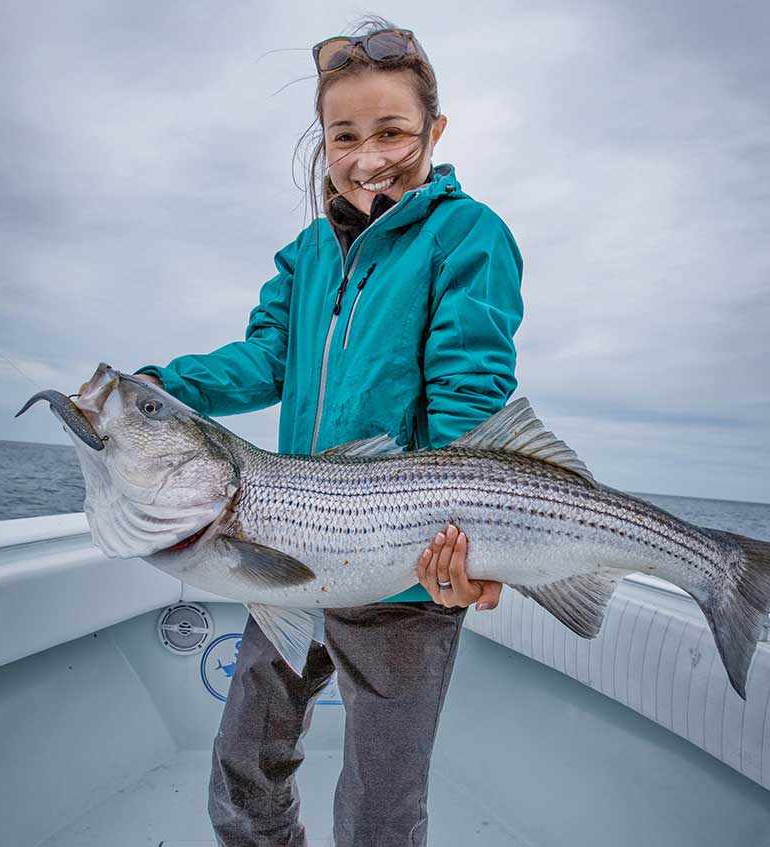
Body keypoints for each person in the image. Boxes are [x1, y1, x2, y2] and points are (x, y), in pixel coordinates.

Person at [128, 18, 523, 846]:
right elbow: (265, 356)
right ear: (323, 140)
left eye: (392, 131)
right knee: (243, 769)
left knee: (380, 809)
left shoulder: (467, 236)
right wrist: (168, 386)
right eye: (344, 135)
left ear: (435, 132)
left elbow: (469, 398)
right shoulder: (307, 251)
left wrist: (469, 548)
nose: (366, 155)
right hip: (293, 551)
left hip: (405, 577)